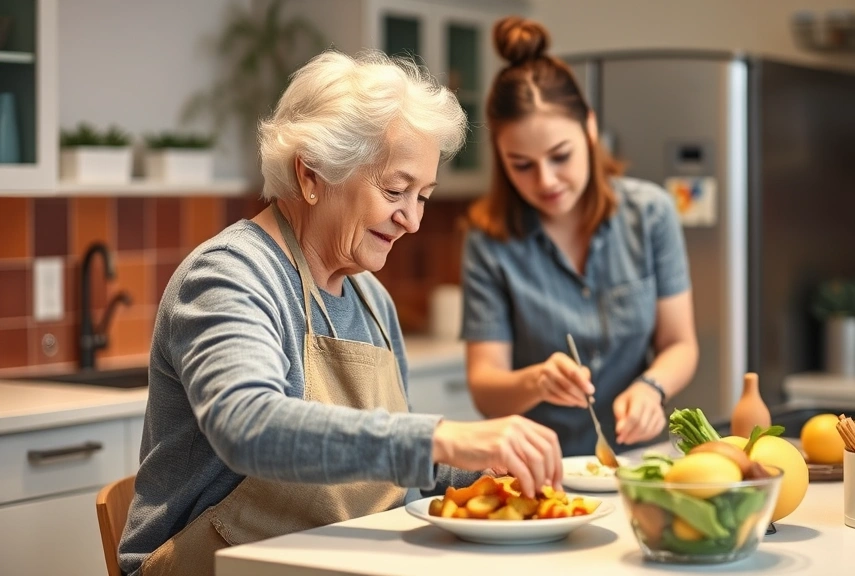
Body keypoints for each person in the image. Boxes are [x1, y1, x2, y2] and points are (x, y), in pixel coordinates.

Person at [120, 50, 562, 576]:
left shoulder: (372, 301)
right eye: (396, 190)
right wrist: (443, 436)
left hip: (331, 561)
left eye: (423, 195)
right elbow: (247, 424)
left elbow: (387, 469)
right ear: (311, 175)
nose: (413, 221)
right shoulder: (231, 274)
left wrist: (481, 468)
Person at [460, 17, 699, 458]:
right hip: (537, 471)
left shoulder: (650, 214)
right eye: (522, 164)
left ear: (589, 127)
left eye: (560, 156)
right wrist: (536, 381)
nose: (546, 181)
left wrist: (652, 387)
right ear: (500, 156)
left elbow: (680, 344)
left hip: (638, 462)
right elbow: (485, 389)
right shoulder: (488, 241)